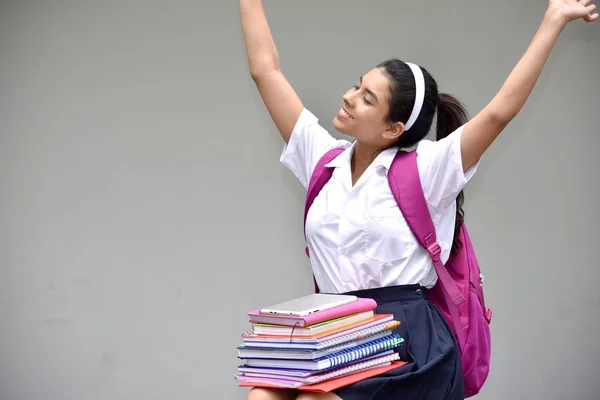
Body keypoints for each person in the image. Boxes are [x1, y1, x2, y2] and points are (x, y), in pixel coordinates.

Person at [239, 0, 597, 399]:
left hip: (403, 338)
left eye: (367, 98)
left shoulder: (428, 169)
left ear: (394, 128)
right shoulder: (323, 159)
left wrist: (553, 20)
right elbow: (265, 71)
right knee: (260, 397)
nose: (348, 96)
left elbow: (499, 113)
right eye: (358, 85)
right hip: (336, 330)